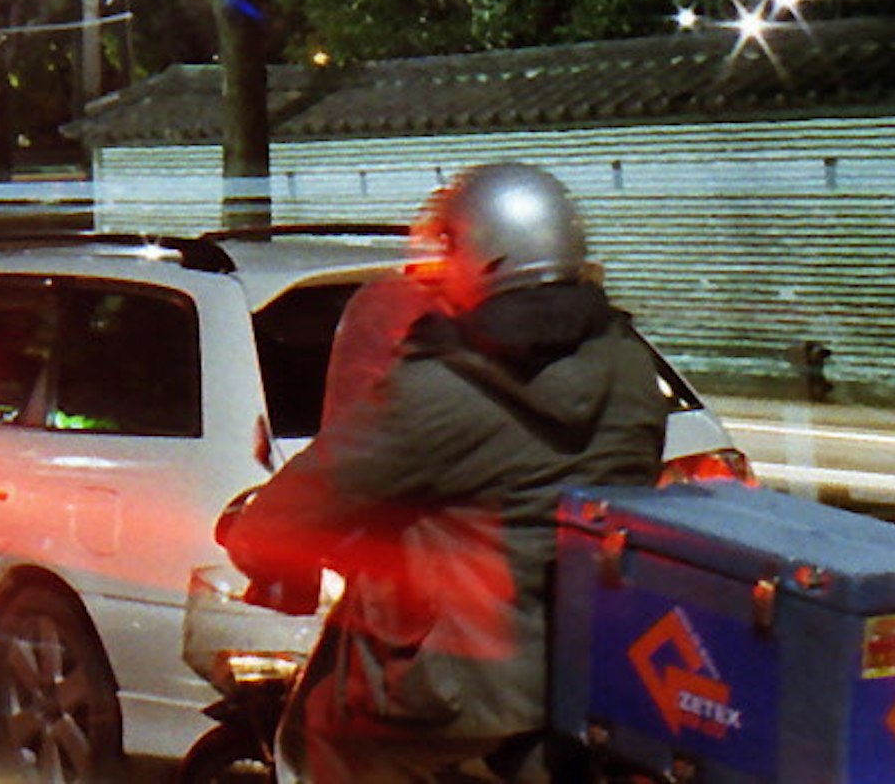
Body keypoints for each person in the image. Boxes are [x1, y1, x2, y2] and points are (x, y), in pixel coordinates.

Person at [217, 162, 667, 784]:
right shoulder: (628, 366)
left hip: (463, 685)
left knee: (325, 734)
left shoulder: (442, 387)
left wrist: (252, 535)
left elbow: (310, 502)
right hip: (587, 674)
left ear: (481, 254)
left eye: (446, 249)